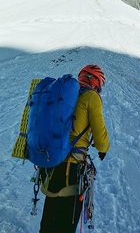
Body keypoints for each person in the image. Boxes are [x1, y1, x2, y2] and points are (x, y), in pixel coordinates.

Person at [39, 64, 110, 233]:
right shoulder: (91, 97)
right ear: (97, 83)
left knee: (49, 216)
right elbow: (100, 139)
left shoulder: (62, 94)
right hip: (73, 168)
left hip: (51, 162)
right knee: (66, 222)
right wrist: (103, 149)